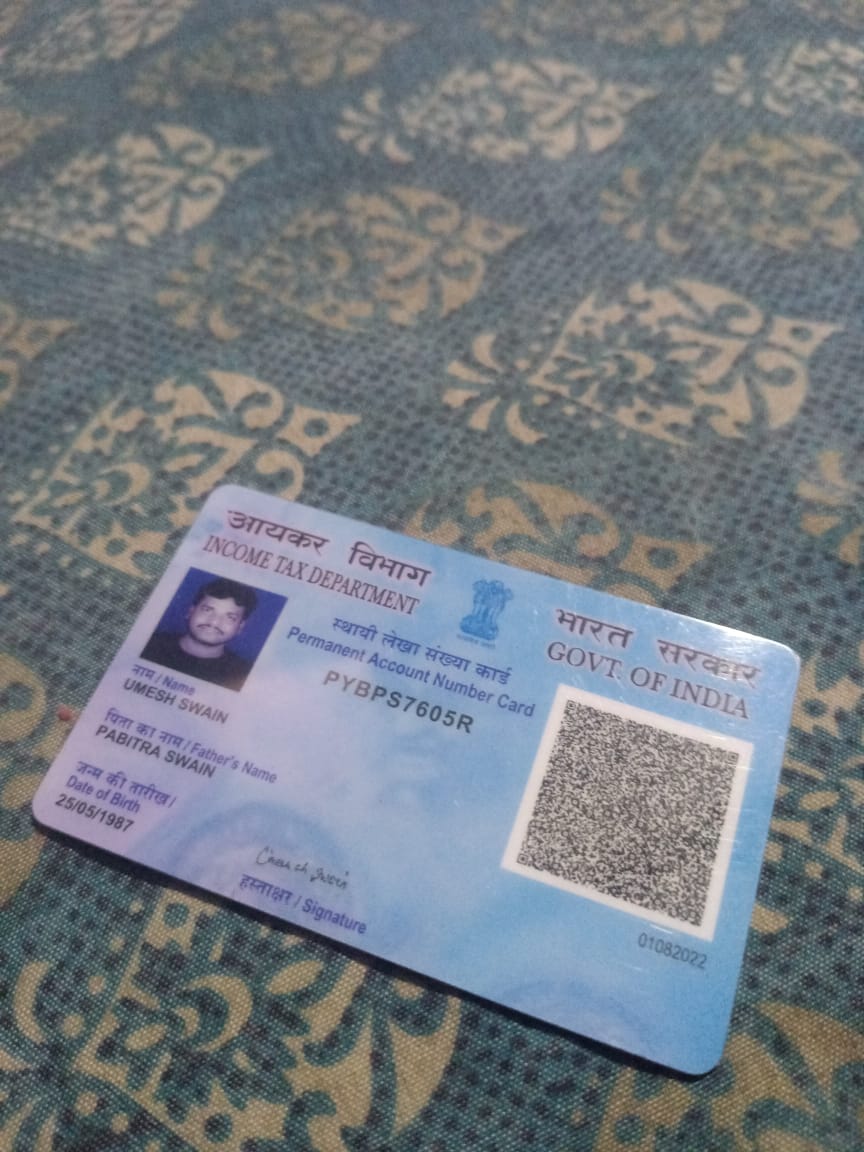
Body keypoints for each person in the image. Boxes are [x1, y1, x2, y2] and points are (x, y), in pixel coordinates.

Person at [141, 577, 258, 690]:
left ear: (240, 627)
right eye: (207, 610)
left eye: (230, 617)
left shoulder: (244, 675)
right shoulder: (146, 643)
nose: (214, 622)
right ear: (190, 612)